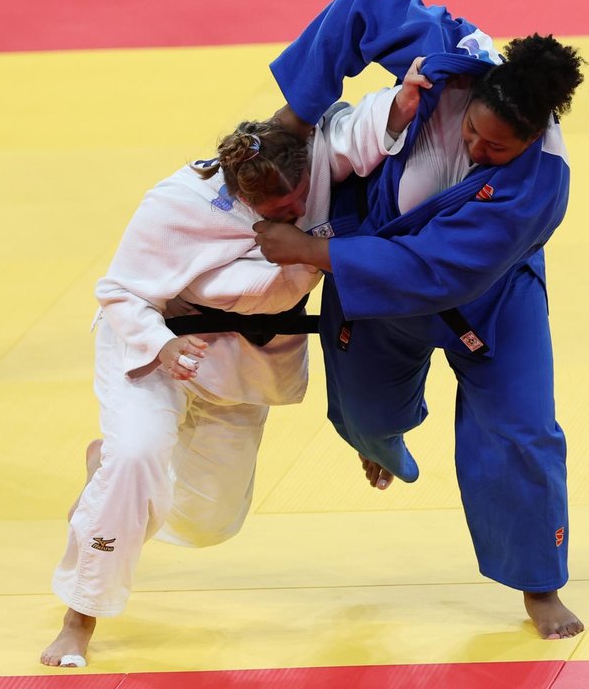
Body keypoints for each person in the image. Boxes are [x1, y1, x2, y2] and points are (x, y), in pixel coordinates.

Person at [40, 75, 425, 667]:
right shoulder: (176, 205)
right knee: (138, 457)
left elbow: (366, 129)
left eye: (300, 201)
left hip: (246, 361)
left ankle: (105, 478)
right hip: (160, 343)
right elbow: (117, 289)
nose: (296, 213)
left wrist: (403, 104)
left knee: (207, 523)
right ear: (242, 197)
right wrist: (159, 346)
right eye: (278, 211)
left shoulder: (317, 165)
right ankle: (80, 617)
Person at [253, 0, 586, 640]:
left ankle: (538, 584)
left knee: (521, 430)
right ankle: (376, 440)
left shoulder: (539, 182)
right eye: (472, 130)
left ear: (532, 135)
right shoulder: (448, 57)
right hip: (373, 272)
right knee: (367, 414)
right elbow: (358, 6)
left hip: (485, 298)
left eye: (495, 148)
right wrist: (295, 115)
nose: (476, 148)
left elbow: (435, 269)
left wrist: (314, 252)